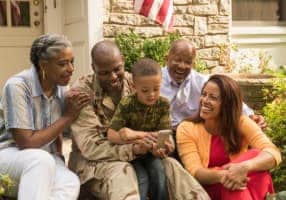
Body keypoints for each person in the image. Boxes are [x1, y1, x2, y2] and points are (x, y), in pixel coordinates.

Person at [68, 40, 210, 200]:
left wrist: (163, 144)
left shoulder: (137, 81)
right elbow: (91, 147)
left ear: (123, 60)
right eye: (104, 72)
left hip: (139, 153)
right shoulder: (82, 93)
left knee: (171, 166)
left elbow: (159, 124)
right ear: (93, 68)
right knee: (124, 173)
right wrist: (134, 149)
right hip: (95, 162)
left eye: (117, 69)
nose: (113, 77)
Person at [0, 34, 90, 199]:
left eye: (72, 62)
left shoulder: (62, 87)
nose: (71, 69)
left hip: (45, 157)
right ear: (43, 65)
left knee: (69, 181)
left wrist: (59, 156)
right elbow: (26, 142)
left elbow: (56, 131)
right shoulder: (18, 87)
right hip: (9, 155)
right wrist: (68, 117)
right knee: (40, 160)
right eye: (63, 64)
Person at [176, 74, 281, 200]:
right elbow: (196, 172)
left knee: (255, 158)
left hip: (240, 185)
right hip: (209, 189)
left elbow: (273, 152)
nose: (205, 100)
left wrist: (245, 167)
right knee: (243, 173)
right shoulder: (187, 128)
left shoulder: (241, 122)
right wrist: (225, 175)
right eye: (204, 94)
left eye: (213, 97)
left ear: (227, 104)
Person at [160, 39, 267, 130]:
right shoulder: (155, 81)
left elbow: (228, 97)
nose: (182, 66)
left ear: (193, 64)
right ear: (167, 59)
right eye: (177, 60)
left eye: (188, 62)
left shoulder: (202, 81)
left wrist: (250, 116)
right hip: (164, 136)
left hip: (195, 134)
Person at [107, 58, 172, 200]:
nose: (152, 94)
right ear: (134, 86)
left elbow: (165, 135)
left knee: (159, 173)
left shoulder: (163, 104)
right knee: (141, 179)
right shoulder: (127, 104)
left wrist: (135, 134)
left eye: (156, 89)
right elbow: (111, 134)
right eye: (145, 90)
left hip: (152, 152)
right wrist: (135, 137)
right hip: (132, 153)